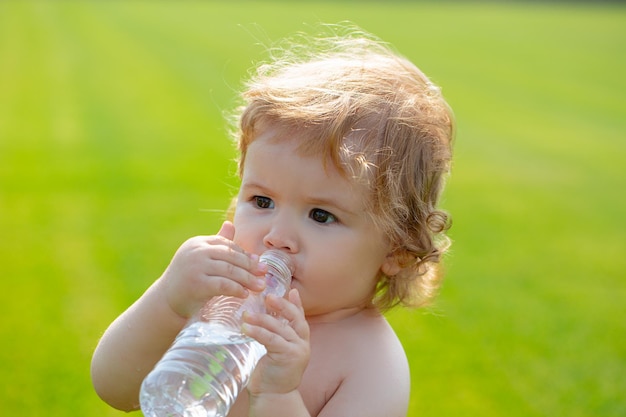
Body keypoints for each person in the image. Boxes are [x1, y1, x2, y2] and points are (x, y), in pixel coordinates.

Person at [91, 24, 455, 417]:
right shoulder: (223, 303)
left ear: (397, 249)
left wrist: (278, 393)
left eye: (321, 215)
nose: (277, 237)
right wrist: (168, 300)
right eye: (262, 201)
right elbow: (115, 387)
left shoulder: (371, 364)